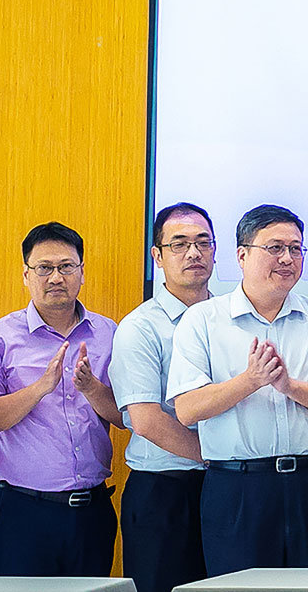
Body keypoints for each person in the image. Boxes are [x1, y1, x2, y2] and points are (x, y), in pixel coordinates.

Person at [169, 204, 308, 574]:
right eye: (275, 248)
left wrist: (289, 386)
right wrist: (250, 381)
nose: (287, 258)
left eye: (296, 248)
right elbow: (187, 409)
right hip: (238, 488)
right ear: (242, 255)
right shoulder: (203, 320)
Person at [0, 221, 123, 576]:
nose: (56, 277)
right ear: (26, 275)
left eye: (66, 266)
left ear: (82, 272)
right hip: (24, 512)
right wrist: (40, 387)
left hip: (92, 510)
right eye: (44, 268)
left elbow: (127, 417)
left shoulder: (109, 333)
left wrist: (91, 388)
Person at [109, 203, 215, 592]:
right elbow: (146, 420)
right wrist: (218, 454)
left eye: (203, 242)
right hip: (164, 490)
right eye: (179, 244)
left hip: (226, 486)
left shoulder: (231, 318)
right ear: (157, 255)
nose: (194, 253)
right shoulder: (140, 327)